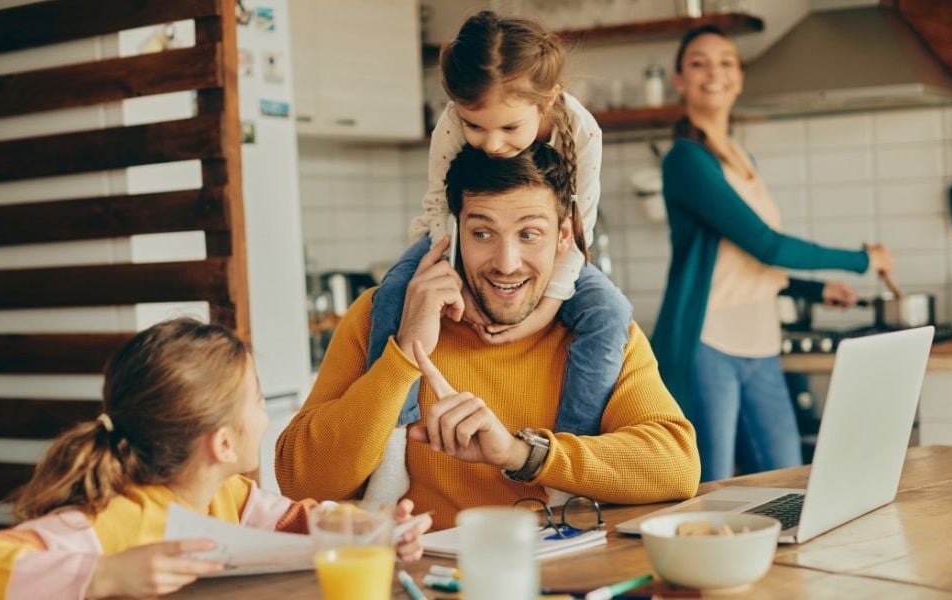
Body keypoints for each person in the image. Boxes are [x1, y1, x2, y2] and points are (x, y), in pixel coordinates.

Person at [277, 143, 700, 531]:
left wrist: (521, 455)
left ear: (563, 237)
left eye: (529, 234)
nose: (506, 262)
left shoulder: (599, 329)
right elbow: (301, 481)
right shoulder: (380, 317)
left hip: (563, 576)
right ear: (453, 233)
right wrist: (404, 353)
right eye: (482, 233)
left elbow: (677, 466)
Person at [0, 319, 430, 600]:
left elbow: (301, 522)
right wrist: (106, 576)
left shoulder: (228, 497)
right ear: (223, 446)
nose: (265, 415)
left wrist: (372, 531)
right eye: (258, 401)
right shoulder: (112, 520)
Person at [360, 10, 633, 509]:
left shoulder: (583, 131)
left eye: (509, 127)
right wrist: (456, 275)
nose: (491, 144)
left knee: (610, 312)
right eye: (476, 127)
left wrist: (546, 311)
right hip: (446, 237)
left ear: (546, 101)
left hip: (562, 261)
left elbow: (578, 232)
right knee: (393, 295)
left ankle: (565, 465)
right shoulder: (451, 125)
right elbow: (441, 209)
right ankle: (392, 443)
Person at [650, 26, 897, 482]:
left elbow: (753, 260)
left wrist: (815, 288)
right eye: (699, 63)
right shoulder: (685, 160)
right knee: (713, 487)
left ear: (740, 78)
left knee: (785, 481)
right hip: (709, 344)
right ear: (679, 79)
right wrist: (863, 259)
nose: (714, 73)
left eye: (726, 62)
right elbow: (766, 243)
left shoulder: (742, 160)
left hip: (761, 342)